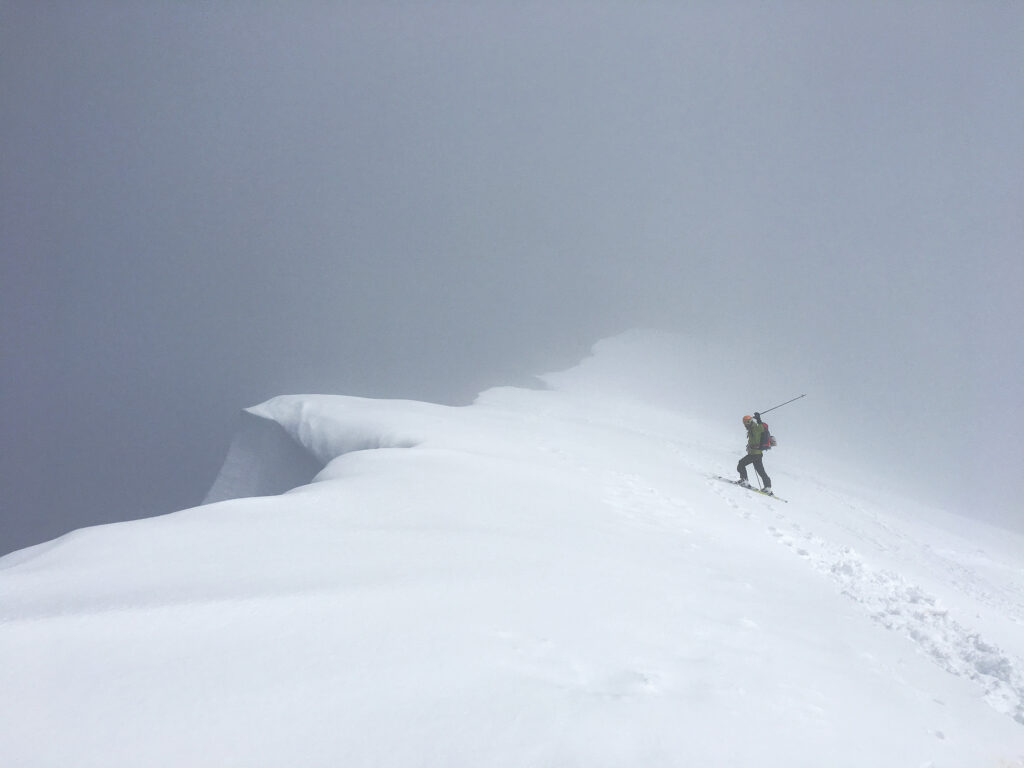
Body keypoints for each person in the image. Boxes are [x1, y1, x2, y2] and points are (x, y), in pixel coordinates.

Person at [737, 415, 772, 494]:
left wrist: (759, 419)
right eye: (744, 423)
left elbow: (761, 428)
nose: (745, 424)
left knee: (741, 464)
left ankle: (744, 481)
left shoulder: (755, 428)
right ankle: (767, 487)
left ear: (749, 421)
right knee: (761, 471)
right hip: (757, 454)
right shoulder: (751, 429)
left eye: (746, 422)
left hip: (755, 454)